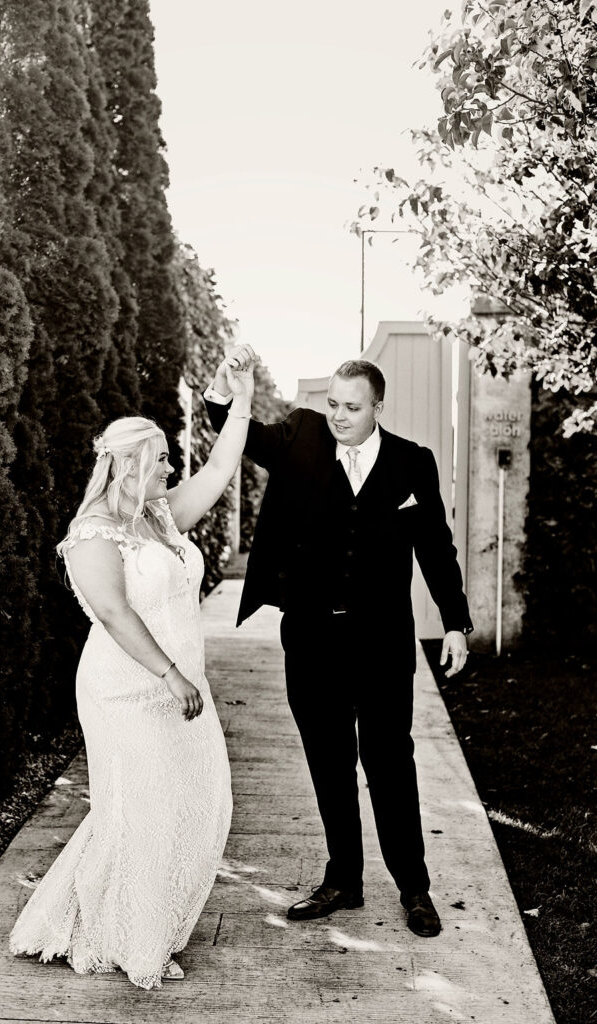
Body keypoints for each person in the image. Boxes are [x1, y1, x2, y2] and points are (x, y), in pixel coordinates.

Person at [204, 346, 472, 938]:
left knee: (390, 766)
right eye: (333, 405)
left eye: (352, 407)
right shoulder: (298, 437)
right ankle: (343, 880)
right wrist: (229, 390)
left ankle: (414, 889)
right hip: (311, 640)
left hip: (381, 646)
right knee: (329, 766)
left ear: (378, 406)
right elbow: (236, 434)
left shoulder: (411, 463)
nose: (339, 416)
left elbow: (435, 547)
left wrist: (455, 621)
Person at [9, 356, 255, 989]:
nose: (173, 468)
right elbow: (115, 614)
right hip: (126, 689)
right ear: (130, 465)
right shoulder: (91, 534)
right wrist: (171, 675)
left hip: (178, 686)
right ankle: (134, 939)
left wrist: (242, 396)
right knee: (142, 810)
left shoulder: (159, 515)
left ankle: (116, 918)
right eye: (164, 459)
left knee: (192, 803)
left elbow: (223, 467)